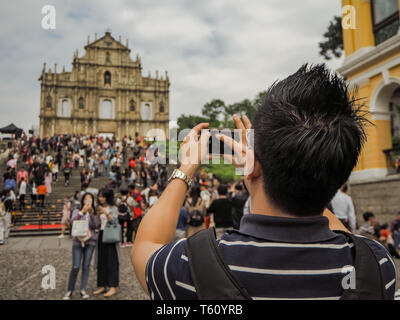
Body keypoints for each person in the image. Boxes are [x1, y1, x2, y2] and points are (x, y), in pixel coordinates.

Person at [132, 64, 396, 300]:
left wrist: (186, 167)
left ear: (253, 166)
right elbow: (317, 189)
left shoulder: (190, 266)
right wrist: (271, 163)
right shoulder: (377, 264)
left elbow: (145, 245)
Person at [63, 192, 100, 300]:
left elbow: (96, 225)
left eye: (90, 199)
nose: (88, 201)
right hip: (78, 241)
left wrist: (92, 215)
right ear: (82, 200)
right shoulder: (76, 211)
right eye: (86, 199)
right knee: (75, 266)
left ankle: (82, 289)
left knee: (86, 266)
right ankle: (70, 290)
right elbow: (73, 222)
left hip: (91, 241)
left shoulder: (94, 212)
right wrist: (82, 212)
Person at [93, 188, 120, 298]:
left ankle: (113, 286)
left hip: (110, 235)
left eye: (103, 196)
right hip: (101, 235)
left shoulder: (113, 208)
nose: (101, 199)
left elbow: (115, 222)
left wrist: (106, 213)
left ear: (108, 197)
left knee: (112, 261)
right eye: (99, 196)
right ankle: (102, 285)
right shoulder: (98, 208)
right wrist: (96, 215)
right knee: (101, 260)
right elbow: (97, 224)